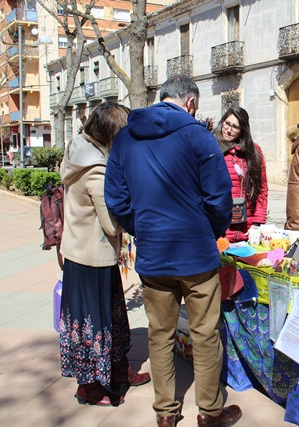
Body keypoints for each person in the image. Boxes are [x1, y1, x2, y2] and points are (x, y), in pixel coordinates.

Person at [104, 75, 241, 427]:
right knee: (206, 334)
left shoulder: (125, 138)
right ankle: (209, 411)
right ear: (191, 103)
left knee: (160, 335)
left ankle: (166, 412)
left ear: (161, 96)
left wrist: (142, 228)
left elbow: (116, 199)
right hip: (195, 254)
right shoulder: (198, 135)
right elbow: (219, 198)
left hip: (154, 254)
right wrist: (208, 232)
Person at [59, 101, 150, 407]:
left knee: (111, 318)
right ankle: (90, 387)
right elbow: (112, 225)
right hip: (91, 257)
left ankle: (118, 371)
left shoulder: (77, 149)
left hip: (80, 251)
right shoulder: (96, 170)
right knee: (92, 323)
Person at [212, 107, 268, 242]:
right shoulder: (210, 148)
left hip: (246, 231)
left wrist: (256, 223)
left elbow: (261, 189)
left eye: (235, 127)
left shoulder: (254, 153)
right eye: (227, 124)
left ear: (243, 130)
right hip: (218, 231)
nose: (229, 130)